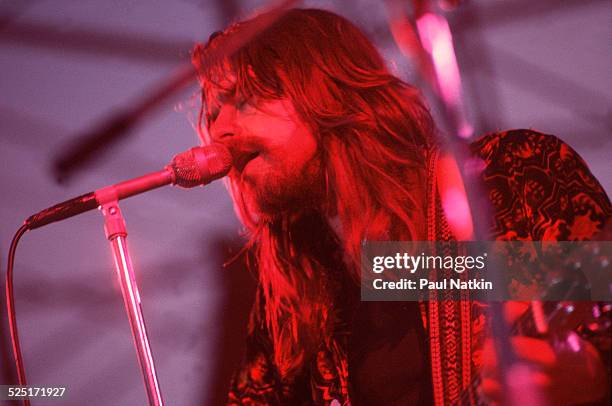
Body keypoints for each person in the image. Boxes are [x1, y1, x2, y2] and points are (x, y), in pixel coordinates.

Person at [191, 8, 611, 405]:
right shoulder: (295, 282)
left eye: (244, 100)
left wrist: (593, 373)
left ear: (328, 95)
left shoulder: (510, 175)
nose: (221, 130)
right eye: (213, 112)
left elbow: (599, 284)